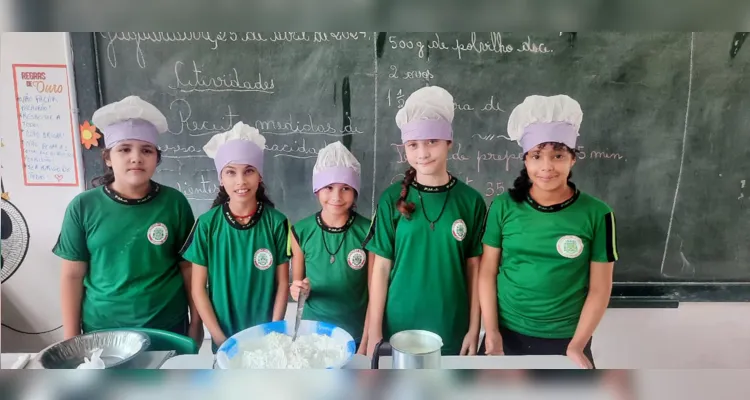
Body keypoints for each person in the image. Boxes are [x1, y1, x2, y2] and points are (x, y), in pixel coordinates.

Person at [477, 94, 619, 369]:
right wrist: (491, 331)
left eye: (558, 155)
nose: (546, 166)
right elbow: (487, 272)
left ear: (573, 159)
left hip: (567, 338)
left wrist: (577, 345)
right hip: (506, 333)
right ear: (525, 160)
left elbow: (600, 288)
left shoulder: (598, 214)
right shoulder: (503, 207)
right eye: (536, 156)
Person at [53, 95, 202, 344]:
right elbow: (72, 275)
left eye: (146, 150)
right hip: (102, 330)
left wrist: (196, 322)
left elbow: (189, 268)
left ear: (157, 158)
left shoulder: (174, 203)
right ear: (108, 158)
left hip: (167, 326)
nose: (136, 158)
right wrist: (71, 338)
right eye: (124, 149)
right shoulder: (83, 207)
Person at [364, 86, 486, 356]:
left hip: (452, 324)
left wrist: (474, 328)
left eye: (432, 141)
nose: (423, 152)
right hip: (399, 323)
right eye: (413, 145)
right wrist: (374, 331)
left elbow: (475, 269)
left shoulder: (471, 201)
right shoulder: (391, 199)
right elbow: (381, 268)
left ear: (449, 143)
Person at [181, 121, 290, 352]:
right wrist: (220, 339)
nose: (240, 181)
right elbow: (198, 289)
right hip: (224, 337)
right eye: (231, 172)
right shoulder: (207, 224)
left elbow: (282, 284)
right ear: (221, 178)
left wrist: (273, 330)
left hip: (266, 339)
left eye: (249, 171)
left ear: (259, 175)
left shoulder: (277, 223)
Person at [289, 141, 373, 354]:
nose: (336, 196)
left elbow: (375, 291)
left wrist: (366, 340)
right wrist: (297, 289)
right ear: (317, 189)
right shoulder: (301, 231)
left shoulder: (368, 231)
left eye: (345, 188)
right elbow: (298, 286)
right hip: (313, 333)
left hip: (356, 331)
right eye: (329, 187)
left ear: (355, 191)